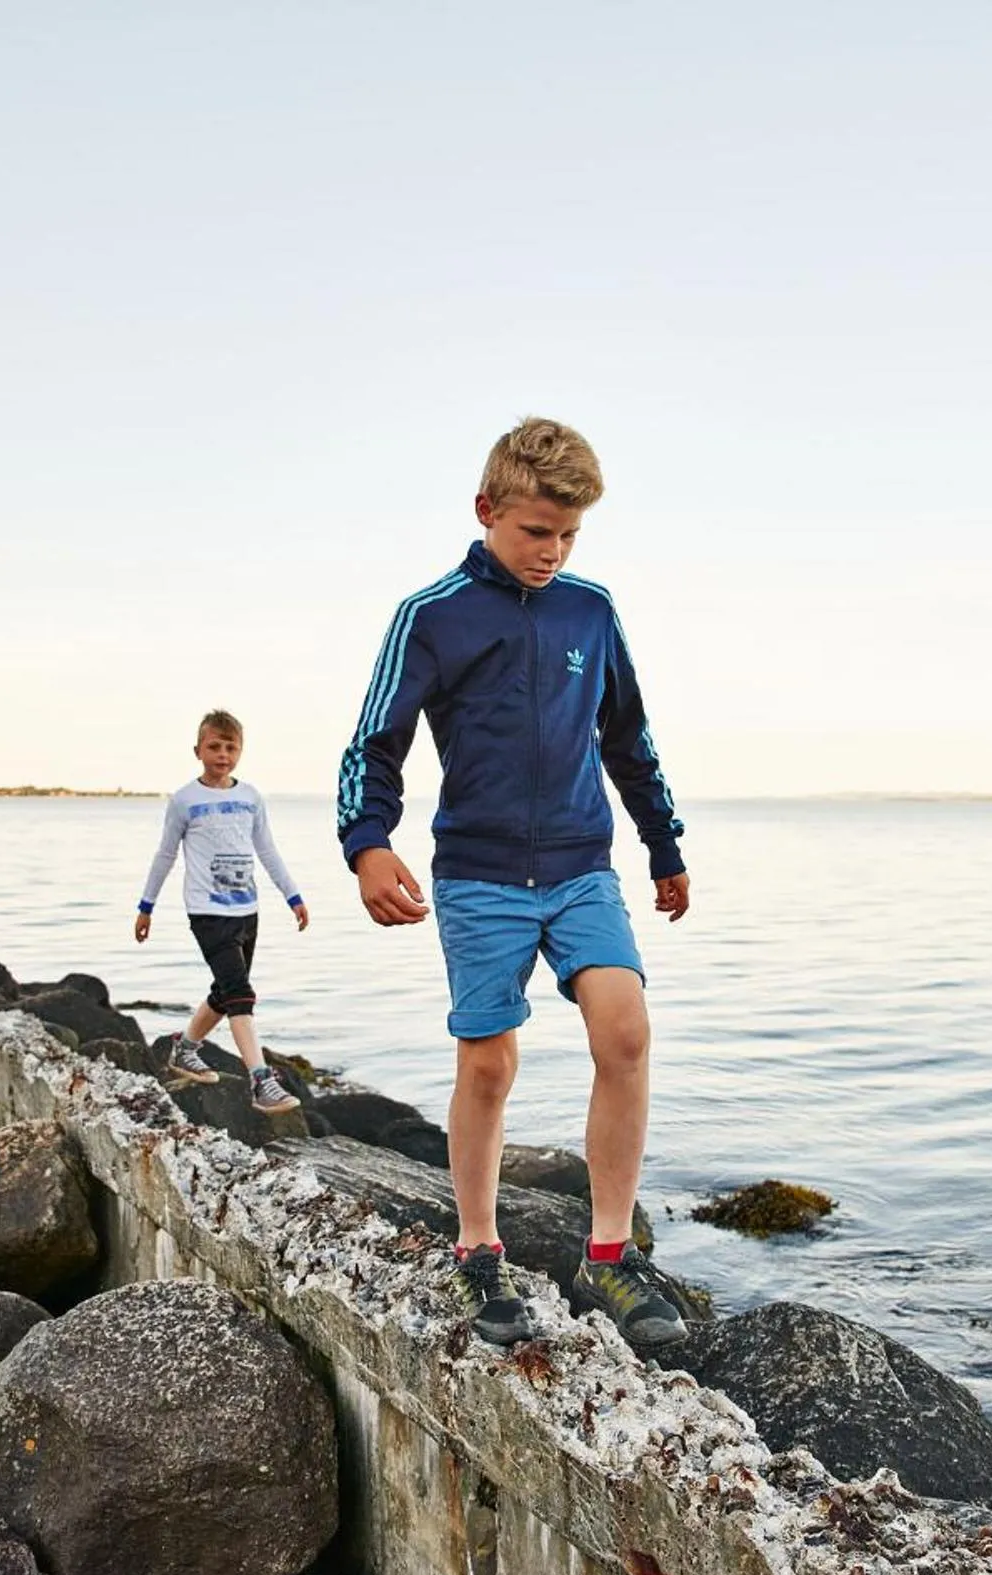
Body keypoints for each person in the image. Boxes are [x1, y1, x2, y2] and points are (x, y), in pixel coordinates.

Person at [337, 417, 690, 1347]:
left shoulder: (590, 611)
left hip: (581, 865)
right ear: (487, 509)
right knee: (489, 1064)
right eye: (537, 532)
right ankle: (478, 1252)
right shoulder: (434, 615)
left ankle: (607, 1257)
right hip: (482, 875)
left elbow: (629, 739)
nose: (553, 552)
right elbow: (375, 743)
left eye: (569, 536)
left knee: (626, 1031)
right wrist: (368, 844)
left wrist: (665, 846)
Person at [135, 709, 309, 1114]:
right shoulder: (185, 801)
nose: (223, 754)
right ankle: (261, 1081)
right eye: (215, 746)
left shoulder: (249, 798)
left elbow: (267, 849)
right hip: (206, 912)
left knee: (225, 991)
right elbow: (165, 854)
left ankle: (185, 1049)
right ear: (198, 750)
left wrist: (293, 895)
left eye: (231, 747)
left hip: (247, 910)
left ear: (241, 752)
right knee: (241, 994)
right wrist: (147, 906)